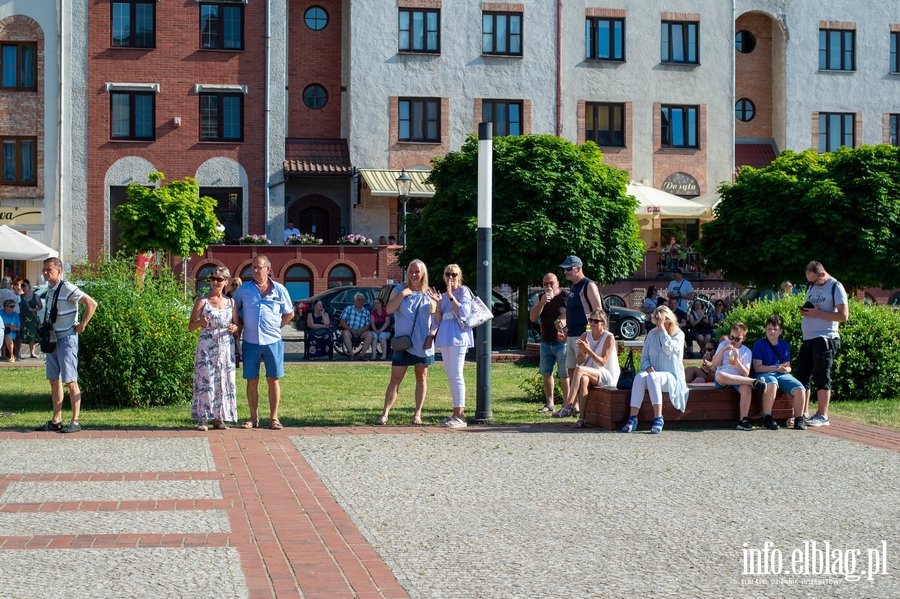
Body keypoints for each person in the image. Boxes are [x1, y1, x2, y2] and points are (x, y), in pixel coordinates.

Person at [33, 257, 97, 434]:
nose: (45, 272)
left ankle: (75, 421)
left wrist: (82, 325)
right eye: (44, 269)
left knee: (70, 380)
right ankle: (56, 420)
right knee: (54, 379)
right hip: (53, 338)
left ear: (59, 271)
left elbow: (92, 303)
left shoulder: (67, 287)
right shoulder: (50, 289)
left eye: (49, 270)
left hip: (67, 338)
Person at [232, 255, 295, 430]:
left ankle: (274, 418)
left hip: (273, 341)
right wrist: (240, 326)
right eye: (253, 268)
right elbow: (234, 311)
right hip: (251, 341)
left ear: (268, 269)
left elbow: (289, 313)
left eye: (259, 268)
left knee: (273, 379)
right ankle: (253, 418)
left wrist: (277, 327)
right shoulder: (243, 290)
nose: (255, 271)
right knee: (252, 380)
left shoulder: (280, 290)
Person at [377, 259, 436, 426]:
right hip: (403, 342)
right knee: (395, 378)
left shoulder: (429, 293)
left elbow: (436, 319)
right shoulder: (399, 289)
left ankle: (418, 414)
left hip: (423, 342)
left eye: (417, 271)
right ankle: (385, 414)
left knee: (422, 377)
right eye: (411, 271)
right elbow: (388, 310)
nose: (414, 274)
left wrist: (431, 336)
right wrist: (403, 294)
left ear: (423, 273)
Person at [621, 306, 689, 434]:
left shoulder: (679, 335)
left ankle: (658, 418)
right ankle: (633, 417)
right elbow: (644, 358)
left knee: (653, 377)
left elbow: (669, 349)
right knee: (640, 376)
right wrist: (647, 367)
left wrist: (663, 330)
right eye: (657, 321)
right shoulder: (652, 334)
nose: (658, 324)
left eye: (662, 321)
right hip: (653, 375)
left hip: (671, 377)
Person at [796, 261, 848, 427]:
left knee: (821, 375)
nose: (812, 284)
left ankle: (822, 415)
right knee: (803, 375)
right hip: (808, 338)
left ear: (822, 274)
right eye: (809, 282)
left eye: (814, 281)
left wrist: (817, 313)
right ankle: (803, 412)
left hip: (825, 337)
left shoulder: (835, 287)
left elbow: (843, 316)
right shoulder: (812, 287)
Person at [189, 266, 239, 431]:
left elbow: (236, 325)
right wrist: (201, 323)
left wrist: (234, 328)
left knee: (223, 381)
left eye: (219, 279)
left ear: (226, 281)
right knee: (206, 381)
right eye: (212, 278)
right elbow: (191, 326)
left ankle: (219, 418)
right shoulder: (202, 301)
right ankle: (203, 418)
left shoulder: (231, 302)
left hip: (225, 347)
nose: (215, 282)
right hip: (207, 346)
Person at [427, 264, 474, 429]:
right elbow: (437, 320)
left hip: (458, 336)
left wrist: (450, 295)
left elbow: (464, 312)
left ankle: (460, 415)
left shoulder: (463, 291)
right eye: (448, 274)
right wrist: (439, 303)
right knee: (450, 375)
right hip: (445, 336)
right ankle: (456, 413)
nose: (450, 277)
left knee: (456, 374)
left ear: (459, 276)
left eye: (454, 274)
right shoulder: (444, 296)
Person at [554, 310, 619, 428]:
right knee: (583, 379)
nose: (592, 323)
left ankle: (568, 405)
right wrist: (583, 353)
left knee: (579, 370)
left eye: (596, 321)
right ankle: (582, 419)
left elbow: (603, 362)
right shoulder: (585, 335)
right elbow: (579, 361)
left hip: (605, 373)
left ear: (603, 323)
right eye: (590, 320)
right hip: (589, 371)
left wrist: (589, 350)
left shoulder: (609, 337)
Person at [752, 314, 807, 431]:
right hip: (765, 374)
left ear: (780, 331)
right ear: (765, 330)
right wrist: (776, 368)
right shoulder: (759, 344)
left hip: (781, 373)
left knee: (800, 388)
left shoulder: (784, 345)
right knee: (772, 382)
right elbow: (758, 368)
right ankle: (767, 417)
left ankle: (799, 419)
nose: (772, 331)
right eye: (769, 329)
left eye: (775, 329)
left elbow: (788, 367)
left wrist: (785, 369)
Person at [707, 322, 766, 431]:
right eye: (731, 337)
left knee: (747, 389)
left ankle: (743, 420)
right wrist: (723, 350)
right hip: (723, 379)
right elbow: (714, 364)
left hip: (739, 379)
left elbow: (745, 373)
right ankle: (754, 381)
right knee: (720, 375)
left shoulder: (746, 351)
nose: (733, 341)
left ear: (743, 339)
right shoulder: (723, 345)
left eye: (737, 339)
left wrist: (737, 359)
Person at [529, 272, 569, 414]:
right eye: (545, 284)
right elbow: (533, 318)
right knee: (547, 373)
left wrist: (565, 322)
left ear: (557, 283)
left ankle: (567, 405)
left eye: (551, 283)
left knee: (565, 374)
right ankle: (549, 404)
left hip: (563, 342)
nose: (548, 286)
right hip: (546, 341)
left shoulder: (566, 296)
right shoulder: (539, 297)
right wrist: (541, 303)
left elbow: (576, 315)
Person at [559, 256, 603, 382]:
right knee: (571, 370)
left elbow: (598, 311)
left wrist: (594, 335)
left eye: (568, 268)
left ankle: (580, 401)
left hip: (583, 335)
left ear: (578, 269)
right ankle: (574, 402)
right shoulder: (573, 286)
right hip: (572, 334)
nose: (565, 272)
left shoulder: (588, 285)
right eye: (564, 269)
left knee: (583, 372)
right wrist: (568, 330)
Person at [340, 292, 374, 361]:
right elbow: (342, 322)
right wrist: (350, 329)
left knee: (369, 334)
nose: (360, 301)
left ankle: (362, 355)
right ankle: (351, 354)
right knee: (345, 333)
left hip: (361, 332)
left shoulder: (366, 312)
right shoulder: (348, 309)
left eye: (362, 300)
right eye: (358, 300)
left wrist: (361, 331)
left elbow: (368, 325)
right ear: (354, 300)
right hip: (350, 331)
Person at [18, 279, 42, 359]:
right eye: (22, 286)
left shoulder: (35, 296)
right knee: (21, 335)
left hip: (32, 319)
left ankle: (32, 353)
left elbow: (40, 306)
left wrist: (33, 310)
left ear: (29, 286)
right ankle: (18, 353)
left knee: (32, 336)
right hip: (22, 318)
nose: (23, 288)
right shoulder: (20, 297)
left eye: (24, 286)